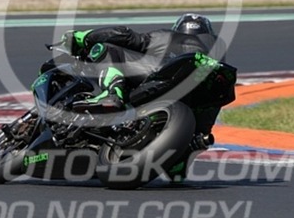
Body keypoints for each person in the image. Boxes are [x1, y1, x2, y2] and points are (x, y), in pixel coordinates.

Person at [61, 13, 230, 136]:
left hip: (166, 74)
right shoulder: (216, 50)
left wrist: (83, 37)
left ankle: (112, 93)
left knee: (106, 49)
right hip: (203, 98)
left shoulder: (168, 36)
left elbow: (125, 35)